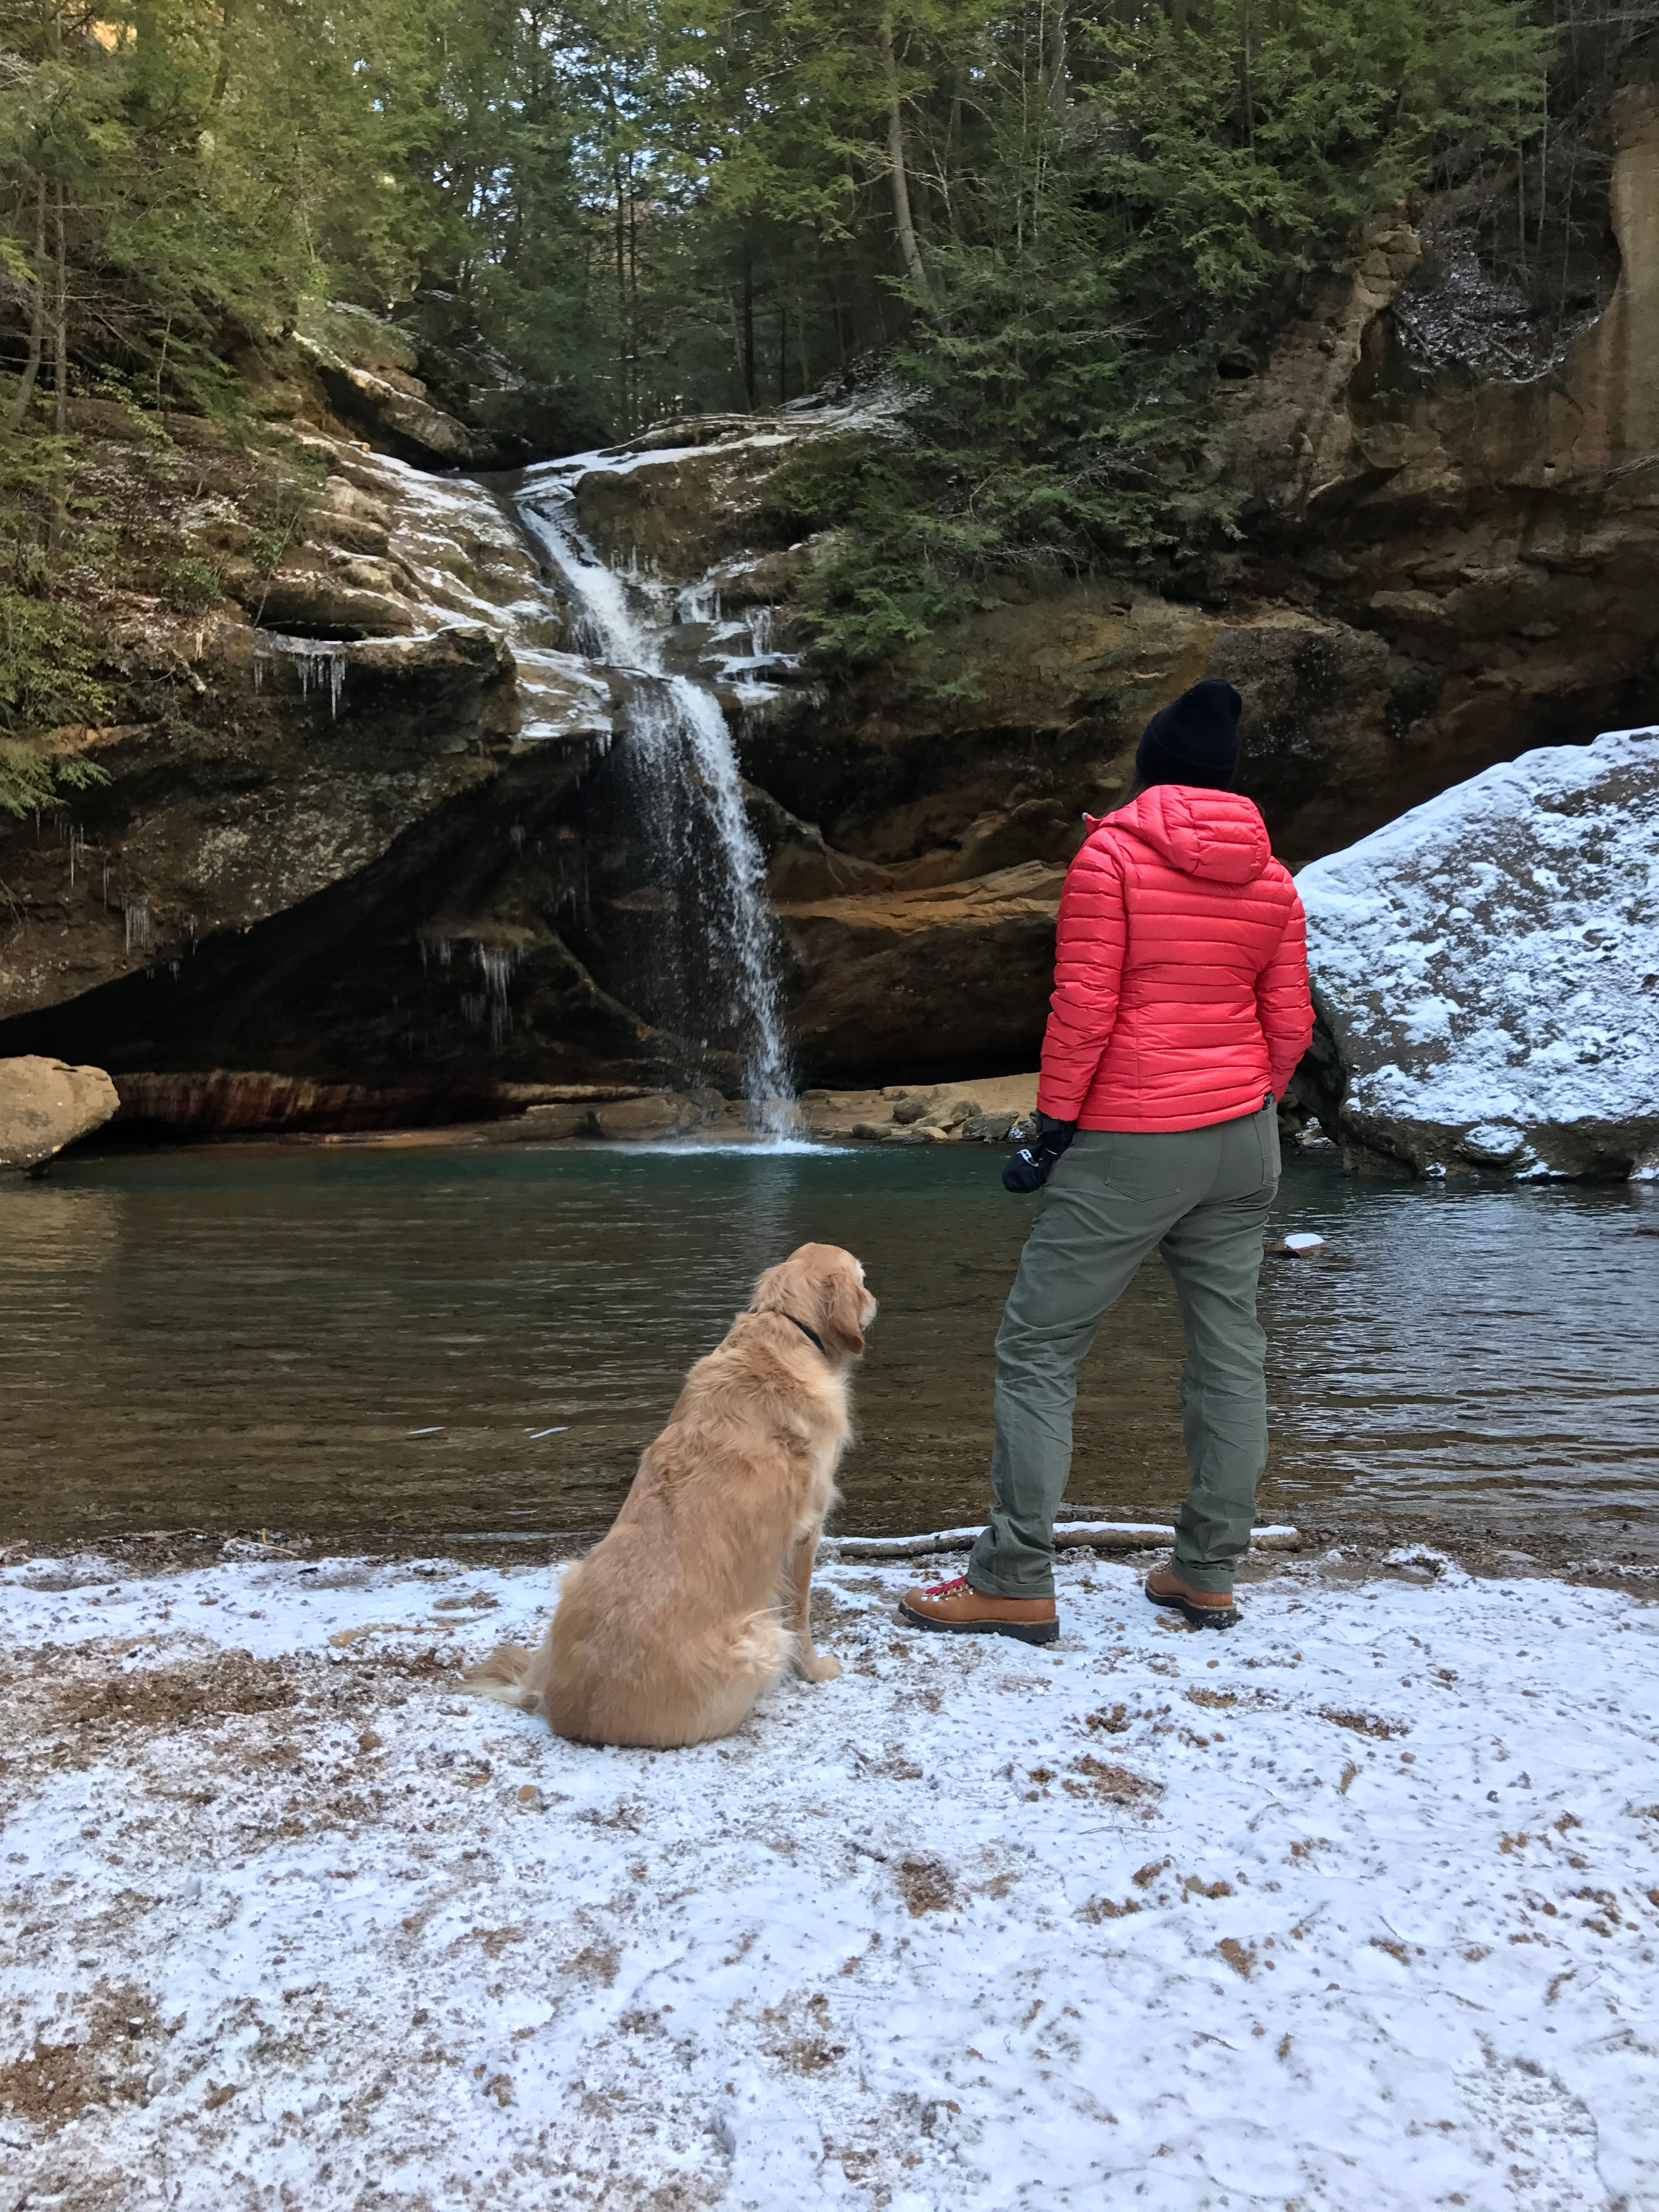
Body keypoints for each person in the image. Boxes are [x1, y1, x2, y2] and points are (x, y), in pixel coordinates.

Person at [899, 678, 1313, 1643]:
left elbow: (1085, 1007)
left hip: (1131, 1134)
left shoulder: (1112, 857)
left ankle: (1012, 1577)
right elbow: (1289, 1020)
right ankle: (1205, 1573)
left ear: (1150, 769)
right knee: (1230, 1350)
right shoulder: (1273, 878)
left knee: (1039, 1349)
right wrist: (1249, 1097)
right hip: (1243, 1139)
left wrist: (1052, 1127)